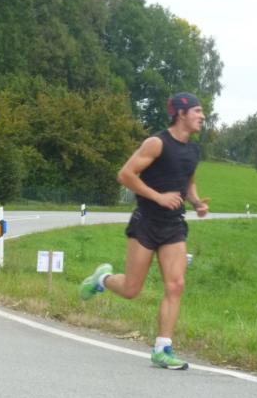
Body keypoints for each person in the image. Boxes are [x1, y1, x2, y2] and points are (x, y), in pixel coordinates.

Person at [79, 92, 209, 370]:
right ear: (181, 113)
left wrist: (197, 202)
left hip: (174, 225)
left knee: (176, 285)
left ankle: (162, 349)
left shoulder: (194, 150)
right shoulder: (157, 143)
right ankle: (103, 279)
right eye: (197, 111)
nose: (202, 116)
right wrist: (158, 197)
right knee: (131, 290)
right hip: (146, 222)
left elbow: (187, 183)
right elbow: (125, 174)